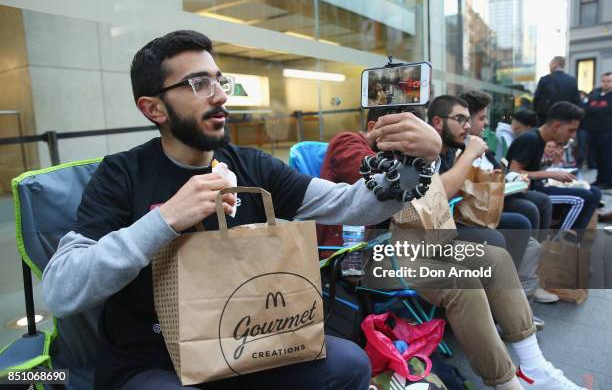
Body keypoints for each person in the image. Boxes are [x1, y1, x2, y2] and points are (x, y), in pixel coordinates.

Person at [40, 30, 444, 390]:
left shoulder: (250, 164)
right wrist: (166, 218)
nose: (219, 95)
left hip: (249, 345)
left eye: (219, 81)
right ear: (154, 109)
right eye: (198, 84)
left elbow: (349, 205)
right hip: (152, 361)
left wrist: (420, 163)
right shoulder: (121, 174)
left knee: (349, 363)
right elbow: (60, 289)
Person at [320, 103, 587, 390]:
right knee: (462, 284)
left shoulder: (411, 154)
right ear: (375, 129)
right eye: (407, 133)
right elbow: (383, 187)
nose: (413, 142)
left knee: (496, 259)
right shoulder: (348, 142)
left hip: (410, 244)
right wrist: (424, 158)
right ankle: (508, 384)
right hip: (362, 257)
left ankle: (535, 368)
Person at [458, 91, 555, 303]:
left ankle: (527, 276)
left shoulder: (479, 142)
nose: (485, 124)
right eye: (481, 118)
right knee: (525, 214)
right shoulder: (460, 146)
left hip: (491, 200)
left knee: (536, 203)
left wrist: (515, 177)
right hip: (471, 209)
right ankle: (514, 288)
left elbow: (499, 167)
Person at [506, 101, 602, 231]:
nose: (573, 135)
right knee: (581, 198)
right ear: (556, 126)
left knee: (595, 192)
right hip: (526, 191)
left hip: (537, 186)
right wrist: (552, 174)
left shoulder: (540, 140)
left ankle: (573, 239)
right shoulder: (530, 139)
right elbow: (514, 171)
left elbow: (531, 168)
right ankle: (559, 240)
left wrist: (550, 163)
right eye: (571, 130)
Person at [583, 72, 612, 189]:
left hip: (608, 132)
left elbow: (594, 110)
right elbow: (586, 109)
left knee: (607, 157)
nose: (606, 84)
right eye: (604, 81)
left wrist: (595, 110)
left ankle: (608, 181)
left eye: (609, 81)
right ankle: (600, 179)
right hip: (593, 131)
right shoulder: (595, 94)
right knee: (596, 157)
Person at [533, 56, 581, 124]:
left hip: (547, 120)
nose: (549, 66)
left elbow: (536, 99)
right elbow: (577, 102)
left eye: (550, 63)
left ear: (554, 64)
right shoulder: (572, 81)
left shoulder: (545, 80)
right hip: (565, 120)